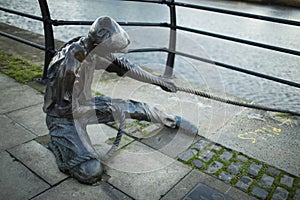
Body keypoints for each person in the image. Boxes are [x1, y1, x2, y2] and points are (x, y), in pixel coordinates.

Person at [43, 16, 198, 184]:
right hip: (64, 117)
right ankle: (61, 142)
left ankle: (169, 120)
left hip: (82, 105)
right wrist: (112, 109)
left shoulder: (90, 49)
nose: (112, 56)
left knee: (132, 106)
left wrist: (159, 81)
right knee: (91, 172)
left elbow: (125, 67)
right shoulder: (71, 65)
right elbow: (68, 110)